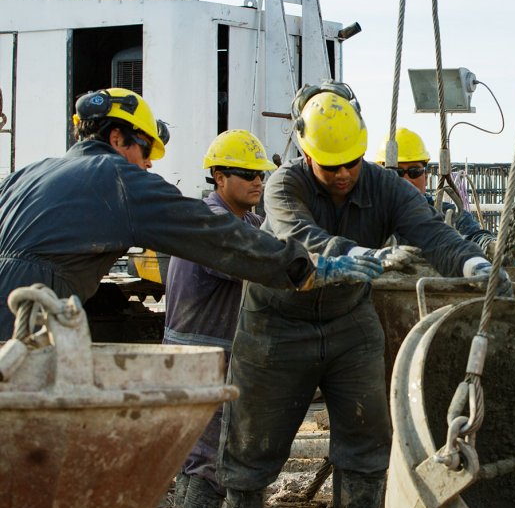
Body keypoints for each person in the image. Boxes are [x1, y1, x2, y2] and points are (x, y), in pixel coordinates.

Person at [218, 82, 508, 508]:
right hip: (275, 326)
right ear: (306, 153)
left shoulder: (382, 186)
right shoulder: (284, 185)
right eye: (331, 165)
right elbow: (298, 237)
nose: (345, 174)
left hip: (349, 325)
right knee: (253, 441)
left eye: (353, 161)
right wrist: (360, 256)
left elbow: (432, 231)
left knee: (367, 440)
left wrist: (474, 262)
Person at [0, 88, 383, 341]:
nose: (148, 164)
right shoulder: (117, 179)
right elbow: (215, 235)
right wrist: (305, 267)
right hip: (21, 322)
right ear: (117, 139)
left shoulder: (26, 175)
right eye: (144, 149)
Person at [163, 129, 278, 508]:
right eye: (247, 174)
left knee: (209, 455)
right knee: (208, 457)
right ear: (217, 175)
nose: (257, 182)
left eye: (261, 175)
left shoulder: (243, 221)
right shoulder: (212, 225)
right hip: (200, 355)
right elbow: (265, 265)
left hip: (217, 352)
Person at [374, 127, 515, 265]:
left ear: (426, 176)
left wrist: (492, 247)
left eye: (414, 171)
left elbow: (472, 236)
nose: (407, 180)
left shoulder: (448, 214)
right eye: (397, 172)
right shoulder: (367, 216)